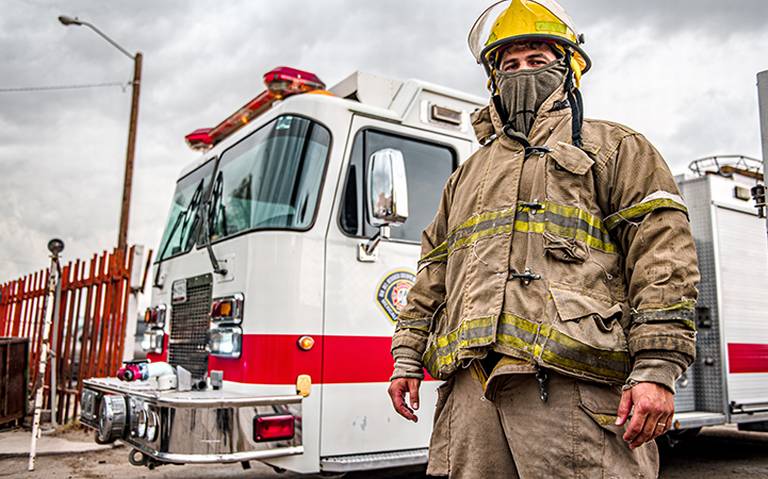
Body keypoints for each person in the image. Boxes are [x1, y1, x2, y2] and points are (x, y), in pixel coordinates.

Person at [387, 1, 700, 477]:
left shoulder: (615, 147)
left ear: (569, 70)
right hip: (473, 398)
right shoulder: (467, 175)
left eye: (537, 61)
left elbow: (662, 258)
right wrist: (406, 357)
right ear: (493, 80)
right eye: (509, 65)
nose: (522, 73)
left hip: (573, 393)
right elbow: (433, 270)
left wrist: (657, 367)